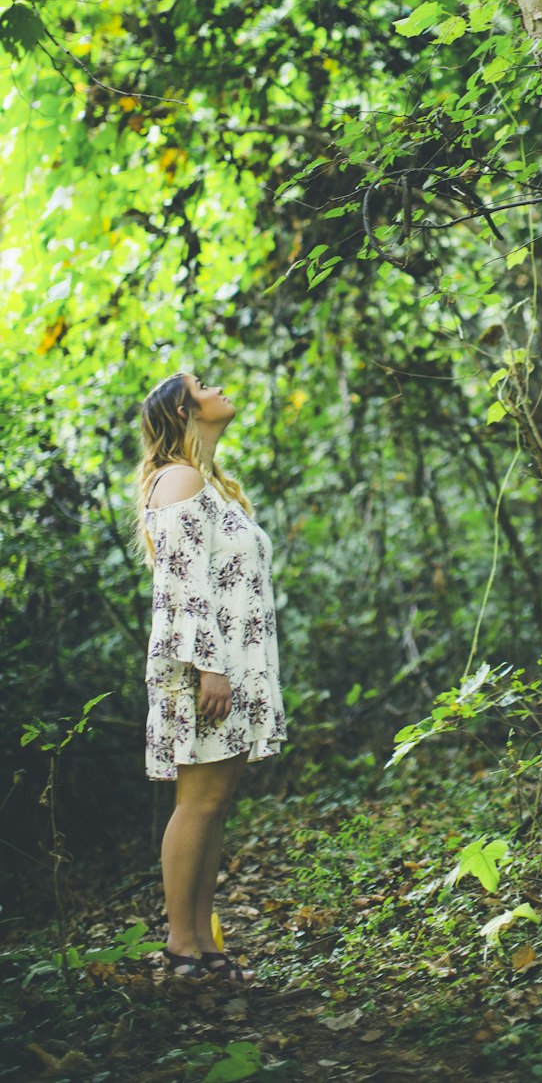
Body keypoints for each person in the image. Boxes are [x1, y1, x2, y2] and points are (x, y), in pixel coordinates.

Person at [133, 371, 286, 981]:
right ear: (182, 408)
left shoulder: (211, 485)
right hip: (204, 669)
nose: (218, 386)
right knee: (196, 803)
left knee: (215, 803)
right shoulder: (179, 479)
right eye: (202, 383)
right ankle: (179, 947)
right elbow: (180, 587)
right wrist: (209, 669)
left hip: (227, 667)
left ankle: (204, 942)